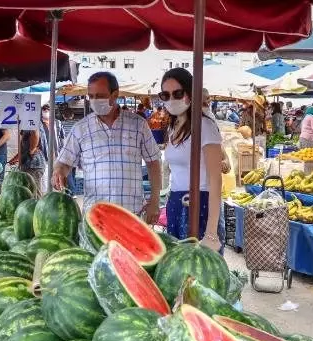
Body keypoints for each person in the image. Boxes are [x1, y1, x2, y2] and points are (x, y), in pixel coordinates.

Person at [52, 71, 162, 223]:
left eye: (100, 95)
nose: (95, 100)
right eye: (91, 96)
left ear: (115, 94)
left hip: (130, 216)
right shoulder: (80, 128)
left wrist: (155, 200)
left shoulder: (138, 124)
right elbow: (64, 162)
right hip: (95, 219)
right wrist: (59, 172)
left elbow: (153, 162)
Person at [161, 69, 223, 251]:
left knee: (198, 272)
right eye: (166, 95)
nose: (172, 99)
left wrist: (211, 231)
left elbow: (215, 180)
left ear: (190, 93)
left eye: (178, 93)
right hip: (175, 203)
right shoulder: (173, 127)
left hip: (200, 203)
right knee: (176, 270)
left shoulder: (205, 126)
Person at [18, 127, 46, 198]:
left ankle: (38, 207)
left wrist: (31, 150)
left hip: (33, 164)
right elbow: (23, 145)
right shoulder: (25, 124)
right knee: (31, 189)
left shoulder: (32, 121)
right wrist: (18, 157)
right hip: (28, 163)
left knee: (35, 191)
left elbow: (35, 132)